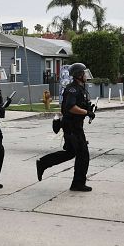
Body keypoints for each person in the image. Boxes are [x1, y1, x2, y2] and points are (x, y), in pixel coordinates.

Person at [36, 62, 94, 191]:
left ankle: (43, 163)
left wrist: (88, 108)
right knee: (83, 154)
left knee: (70, 153)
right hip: (71, 126)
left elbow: (79, 105)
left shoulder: (81, 88)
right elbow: (71, 107)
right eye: (84, 73)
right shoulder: (72, 89)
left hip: (76, 126)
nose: (86, 75)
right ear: (79, 75)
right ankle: (78, 183)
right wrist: (86, 112)